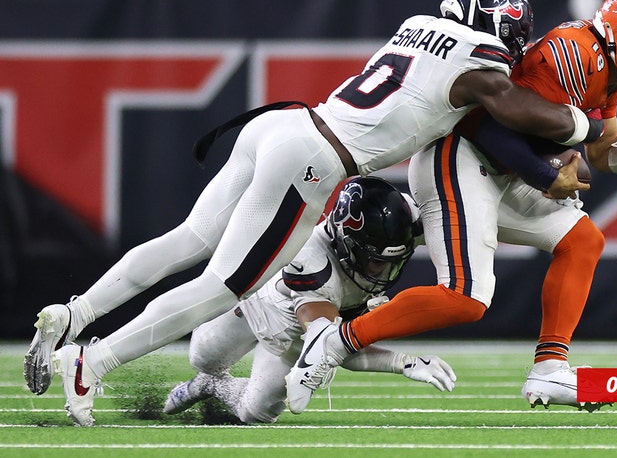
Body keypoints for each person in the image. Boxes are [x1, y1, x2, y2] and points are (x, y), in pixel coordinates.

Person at [24, 0, 602, 427]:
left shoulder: (421, 24)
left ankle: (75, 314)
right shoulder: (477, 58)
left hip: (287, 123)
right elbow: (517, 109)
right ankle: (92, 362)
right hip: (317, 159)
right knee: (224, 285)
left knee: (187, 241)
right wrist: (589, 127)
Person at [285, 0, 617, 414]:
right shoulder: (575, 55)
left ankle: (550, 367)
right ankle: (334, 341)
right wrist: (543, 176)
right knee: (465, 297)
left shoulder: (608, 68)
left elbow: (601, 152)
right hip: (460, 154)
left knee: (583, 240)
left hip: (500, 169)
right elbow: (487, 123)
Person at [163, 176, 456, 424]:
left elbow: (465, 220)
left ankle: (210, 386)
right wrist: (400, 362)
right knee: (202, 356)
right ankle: (208, 375)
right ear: (347, 243)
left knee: (255, 412)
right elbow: (333, 346)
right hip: (260, 305)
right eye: (375, 261)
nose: (384, 271)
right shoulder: (313, 264)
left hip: (296, 340)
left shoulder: (405, 222)